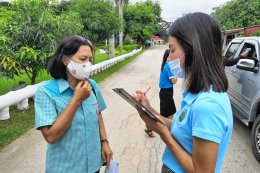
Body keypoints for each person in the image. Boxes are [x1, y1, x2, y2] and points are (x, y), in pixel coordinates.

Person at [134, 13, 233, 173]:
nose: (168, 59)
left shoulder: (208, 106)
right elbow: (181, 128)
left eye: (172, 51)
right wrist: (150, 111)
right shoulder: (196, 95)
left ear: (193, 49)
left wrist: (162, 133)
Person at [35, 35, 113, 173]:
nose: (88, 64)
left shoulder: (92, 86)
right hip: (66, 168)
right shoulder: (46, 91)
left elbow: (98, 114)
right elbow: (50, 136)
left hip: (94, 165)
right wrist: (76, 99)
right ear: (66, 60)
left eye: (90, 59)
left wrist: (104, 141)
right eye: (82, 59)